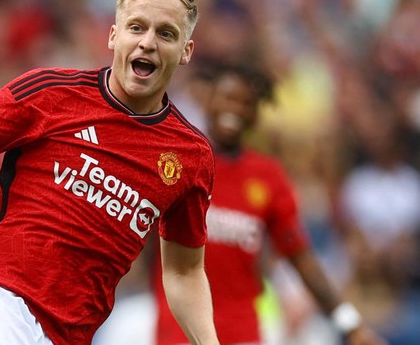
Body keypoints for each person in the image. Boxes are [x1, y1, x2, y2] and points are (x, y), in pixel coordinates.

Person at [0, 0, 220, 345]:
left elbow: (185, 272)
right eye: (136, 28)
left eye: (166, 34)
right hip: (0, 300)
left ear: (186, 51)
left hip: (72, 334)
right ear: (113, 36)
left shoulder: (191, 156)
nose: (148, 43)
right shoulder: (50, 93)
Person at [153, 62, 388, 345]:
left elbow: (301, 258)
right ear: (209, 99)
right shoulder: (177, 161)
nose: (236, 110)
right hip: (178, 332)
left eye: (247, 103)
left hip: (241, 334)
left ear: (256, 113)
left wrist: (350, 325)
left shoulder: (268, 177)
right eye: (228, 98)